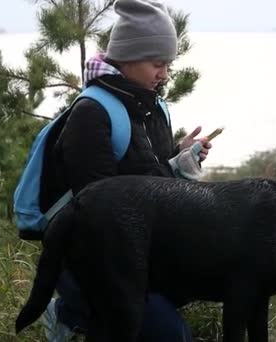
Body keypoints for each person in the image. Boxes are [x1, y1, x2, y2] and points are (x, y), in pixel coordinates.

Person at [39, 0, 211, 340]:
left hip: (138, 245)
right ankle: (70, 311)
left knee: (204, 281)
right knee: (169, 334)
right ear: (129, 57)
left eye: (168, 64)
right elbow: (101, 209)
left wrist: (180, 155)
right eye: (157, 64)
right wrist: (175, 171)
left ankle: (76, 314)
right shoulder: (91, 114)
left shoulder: (151, 106)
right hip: (88, 252)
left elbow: (150, 170)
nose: (164, 74)